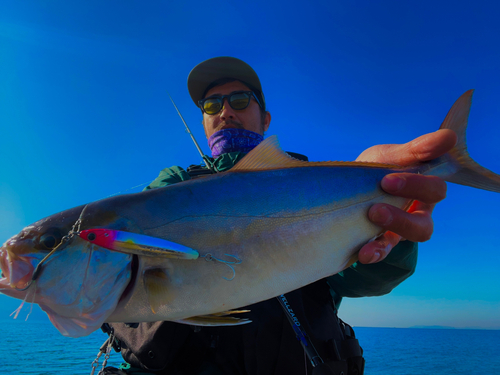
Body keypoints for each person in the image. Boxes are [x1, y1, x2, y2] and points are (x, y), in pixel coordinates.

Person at [101, 57, 455, 375]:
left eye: (239, 100)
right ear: (204, 121)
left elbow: (359, 280)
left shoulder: (311, 186)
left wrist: (390, 236)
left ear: (265, 118)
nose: (225, 111)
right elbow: (123, 249)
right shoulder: (173, 186)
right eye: (212, 105)